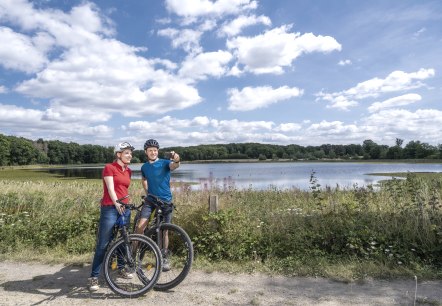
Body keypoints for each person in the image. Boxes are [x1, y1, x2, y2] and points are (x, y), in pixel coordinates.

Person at [88, 142, 135, 292]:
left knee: (123, 240)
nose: (130, 156)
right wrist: (117, 204)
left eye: (130, 153)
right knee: (103, 243)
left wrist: (126, 204)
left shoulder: (128, 171)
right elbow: (110, 188)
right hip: (110, 208)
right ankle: (94, 276)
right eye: (126, 153)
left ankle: (121, 268)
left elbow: (123, 189)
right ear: (118, 154)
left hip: (124, 208)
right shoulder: (109, 168)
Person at [135, 138, 180, 271]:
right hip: (151, 200)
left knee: (165, 230)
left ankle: (164, 257)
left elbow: (175, 165)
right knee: (140, 227)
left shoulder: (166, 163)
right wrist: (147, 191)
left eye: (155, 150)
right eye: (150, 150)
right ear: (146, 152)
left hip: (166, 200)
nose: (153, 152)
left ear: (157, 151)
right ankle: (134, 257)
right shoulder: (144, 167)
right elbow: (144, 179)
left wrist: (177, 159)